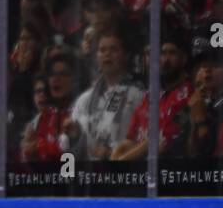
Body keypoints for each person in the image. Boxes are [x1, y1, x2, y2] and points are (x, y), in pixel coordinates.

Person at [113, 28, 193, 160]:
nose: (165, 59)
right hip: (138, 166)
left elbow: (162, 142)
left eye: (172, 53)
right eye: (162, 53)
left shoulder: (188, 95)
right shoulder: (151, 94)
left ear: (183, 58)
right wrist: (116, 155)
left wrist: (121, 163)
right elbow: (130, 139)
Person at [69, 28, 144, 160]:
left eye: (113, 50)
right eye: (102, 50)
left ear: (126, 55)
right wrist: (73, 136)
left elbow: (145, 140)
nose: (107, 54)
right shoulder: (84, 100)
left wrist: (113, 152)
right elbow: (69, 148)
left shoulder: (138, 94)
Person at [20, 49, 80, 162]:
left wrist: (40, 147)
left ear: (75, 80)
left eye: (62, 74)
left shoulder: (80, 112)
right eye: (52, 74)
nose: (56, 79)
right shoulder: (42, 117)